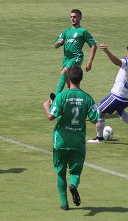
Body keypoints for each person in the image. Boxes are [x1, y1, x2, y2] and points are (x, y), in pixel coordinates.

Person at [43, 66, 99, 210]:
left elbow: (50, 116)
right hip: (78, 141)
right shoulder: (87, 98)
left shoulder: (62, 96)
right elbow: (95, 120)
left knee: (60, 171)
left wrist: (46, 106)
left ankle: (64, 204)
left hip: (61, 140)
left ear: (69, 79)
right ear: (81, 79)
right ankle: (73, 185)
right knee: (75, 172)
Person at [51, 9, 97, 100]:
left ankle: (56, 99)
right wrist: (59, 43)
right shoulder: (66, 31)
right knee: (71, 84)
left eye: (75, 17)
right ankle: (80, 100)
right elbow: (55, 45)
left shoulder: (83, 31)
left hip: (76, 57)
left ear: (80, 18)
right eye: (71, 17)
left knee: (64, 72)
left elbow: (94, 45)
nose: (72, 19)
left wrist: (90, 62)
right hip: (66, 59)